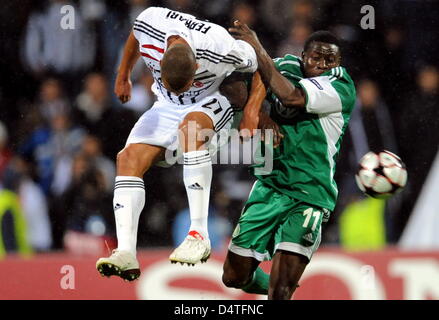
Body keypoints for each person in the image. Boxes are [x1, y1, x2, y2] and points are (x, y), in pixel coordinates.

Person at [96, 7, 257, 281]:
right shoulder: (151, 21)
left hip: (211, 100)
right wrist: (123, 74)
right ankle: (126, 252)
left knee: (190, 130)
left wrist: (252, 110)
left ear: (196, 67)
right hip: (166, 106)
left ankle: (198, 234)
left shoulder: (220, 46)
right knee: (128, 158)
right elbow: (135, 35)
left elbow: (261, 63)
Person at [221, 22, 356, 300]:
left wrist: (257, 47)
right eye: (316, 57)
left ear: (339, 62)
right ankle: (278, 285)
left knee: (280, 291)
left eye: (330, 59)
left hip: (309, 194)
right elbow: (233, 87)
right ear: (303, 55)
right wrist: (261, 116)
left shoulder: (341, 86)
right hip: (269, 185)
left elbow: (291, 96)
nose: (322, 64)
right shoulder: (284, 66)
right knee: (234, 277)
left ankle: (281, 287)